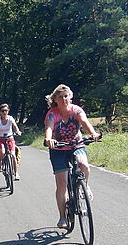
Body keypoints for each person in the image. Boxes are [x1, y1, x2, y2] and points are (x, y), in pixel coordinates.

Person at [42, 84, 100, 229]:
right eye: (60, 97)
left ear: (70, 97)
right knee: (62, 183)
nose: (64, 99)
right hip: (58, 148)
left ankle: (84, 187)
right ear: (55, 99)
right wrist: (49, 139)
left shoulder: (76, 110)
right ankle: (62, 217)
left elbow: (85, 122)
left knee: (84, 165)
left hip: (76, 144)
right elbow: (49, 127)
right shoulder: (52, 113)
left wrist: (93, 133)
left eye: (66, 96)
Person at [0, 103, 22, 180]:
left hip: (9, 138)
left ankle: (16, 173)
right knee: (2, 152)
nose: (4, 112)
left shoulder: (10, 118)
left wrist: (17, 131)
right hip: (0, 139)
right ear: (0, 112)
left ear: (8, 111)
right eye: (2, 111)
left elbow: (14, 125)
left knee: (13, 155)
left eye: (6, 110)